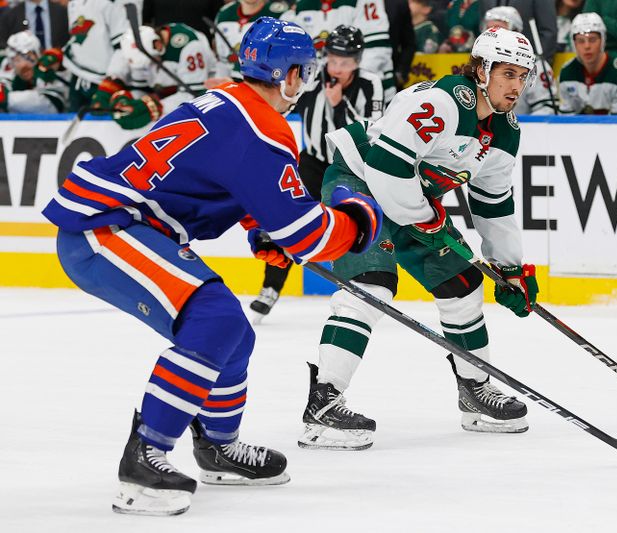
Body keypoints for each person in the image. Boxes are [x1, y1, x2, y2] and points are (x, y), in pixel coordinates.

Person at [40, 17, 382, 516]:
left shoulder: (222, 102)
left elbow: (205, 174)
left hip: (115, 222)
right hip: (105, 229)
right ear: (288, 75)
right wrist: (359, 215)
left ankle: (218, 447)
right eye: (304, 73)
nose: (304, 84)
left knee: (233, 332)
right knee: (213, 319)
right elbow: (312, 238)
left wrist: (260, 224)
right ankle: (143, 459)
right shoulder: (264, 131)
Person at [292, 26, 539, 451]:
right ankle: (323, 403)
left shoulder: (505, 131)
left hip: (412, 201)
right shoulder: (441, 103)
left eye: (523, 76)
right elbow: (387, 167)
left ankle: (475, 389)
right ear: (481, 70)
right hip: (360, 180)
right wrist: (426, 220)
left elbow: (493, 204)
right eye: (508, 74)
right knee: (372, 283)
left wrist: (510, 267)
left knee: (461, 283)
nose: (516, 86)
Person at [249, 25, 384, 322]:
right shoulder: (310, 76)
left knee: (357, 223)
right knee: (285, 217)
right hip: (311, 161)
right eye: (334, 60)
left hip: (349, 163)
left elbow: (371, 130)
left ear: (358, 61)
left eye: (345, 62)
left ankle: (360, 288)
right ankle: (270, 288)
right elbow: (283, 102)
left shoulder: (371, 83)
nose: (338, 67)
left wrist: (338, 106)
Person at [90, 24, 214, 130]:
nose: (150, 68)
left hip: (205, 101)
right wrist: (126, 102)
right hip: (167, 93)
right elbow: (142, 87)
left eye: (151, 61)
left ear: (158, 45)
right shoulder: (136, 46)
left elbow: (194, 96)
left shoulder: (189, 47)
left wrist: (155, 107)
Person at [281, 0, 396, 99]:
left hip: (367, 92)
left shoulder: (365, 2)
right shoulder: (302, 6)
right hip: (319, 92)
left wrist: (339, 80)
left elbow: (376, 52)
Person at [558, 13, 617, 115]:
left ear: (603, 40)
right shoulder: (567, 73)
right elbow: (566, 123)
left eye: (592, 39)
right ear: (574, 44)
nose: (587, 46)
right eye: (581, 41)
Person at [61, 0, 139, 111]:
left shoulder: (111, 4)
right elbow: (79, 41)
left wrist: (112, 82)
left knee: (102, 126)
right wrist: (59, 57)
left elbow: (124, 47)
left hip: (103, 85)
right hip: (77, 80)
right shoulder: (73, 4)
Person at [481, 6, 557, 115]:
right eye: (488, 30)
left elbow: (546, 110)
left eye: (498, 29)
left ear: (515, 32)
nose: (492, 35)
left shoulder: (536, 66)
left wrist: (519, 127)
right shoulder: (479, 64)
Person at [209, 0, 290, 84]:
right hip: (231, 85)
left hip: (267, 87)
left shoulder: (282, 15)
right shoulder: (224, 14)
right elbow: (223, 61)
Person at [0, 29, 68, 112]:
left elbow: (51, 105)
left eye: (18, 59)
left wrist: (7, 99)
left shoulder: (47, 69)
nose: (13, 64)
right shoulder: (8, 69)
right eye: (13, 59)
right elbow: (3, 90)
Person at [0, 0, 69, 49]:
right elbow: (3, 43)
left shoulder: (62, 11)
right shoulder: (10, 15)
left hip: (58, 65)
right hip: (24, 66)